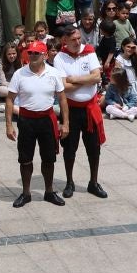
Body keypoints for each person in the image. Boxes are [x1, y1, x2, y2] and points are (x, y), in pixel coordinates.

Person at [4, 40, 65, 207]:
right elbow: (10, 100)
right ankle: (26, 193)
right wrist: (9, 125)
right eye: (30, 53)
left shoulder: (54, 73)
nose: (32, 55)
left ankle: (49, 191)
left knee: (49, 158)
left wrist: (65, 122)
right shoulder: (19, 74)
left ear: (44, 55)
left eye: (36, 53)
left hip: (47, 119)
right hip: (26, 120)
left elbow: (62, 98)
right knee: (25, 158)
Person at [52, 25, 107, 198]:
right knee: (69, 148)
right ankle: (69, 182)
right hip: (70, 110)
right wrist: (87, 80)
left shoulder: (89, 52)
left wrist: (75, 79)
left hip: (90, 109)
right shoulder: (60, 58)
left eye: (78, 38)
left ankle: (93, 182)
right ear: (64, 41)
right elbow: (63, 87)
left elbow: (97, 77)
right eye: (73, 39)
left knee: (94, 148)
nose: (77, 42)